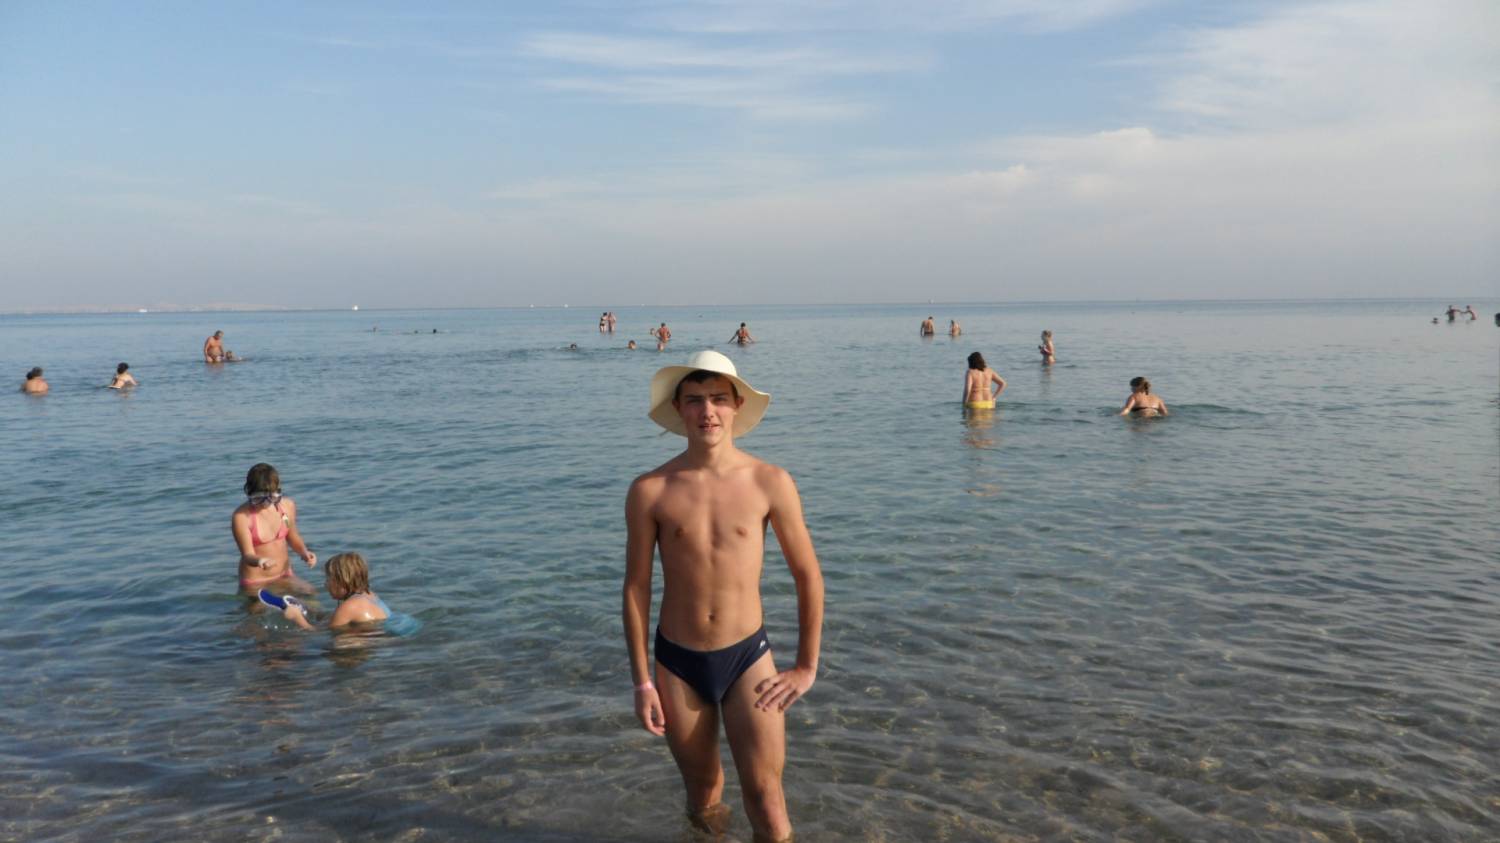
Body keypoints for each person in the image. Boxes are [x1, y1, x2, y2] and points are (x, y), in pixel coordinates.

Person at [625, 350, 824, 843]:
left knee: (767, 801)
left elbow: (807, 575)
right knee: (703, 796)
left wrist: (806, 666)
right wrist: (642, 681)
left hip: (747, 657)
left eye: (718, 398)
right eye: (694, 400)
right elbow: (636, 587)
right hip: (677, 662)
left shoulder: (769, 481)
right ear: (678, 409)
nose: (707, 411)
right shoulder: (650, 490)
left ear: (737, 405)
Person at [232, 463, 317, 594]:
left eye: (271, 498)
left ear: (278, 491)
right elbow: (247, 555)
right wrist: (260, 560)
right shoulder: (241, 517)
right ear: (249, 492)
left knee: (311, 594)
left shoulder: (287, 506)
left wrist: (304, 552)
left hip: (285, 574)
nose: (265, 503)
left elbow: (293, 536)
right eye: (258, 499)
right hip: (256, 581)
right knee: (260, 608)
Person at [274, 552, 391, 631]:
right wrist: (310, 610)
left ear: (342, 580)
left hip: (374, 640)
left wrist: (297, 618)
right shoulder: (369, 595)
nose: (326, 585)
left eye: (329, 579)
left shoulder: (350, 606)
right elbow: (338, 618)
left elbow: (319, 634)